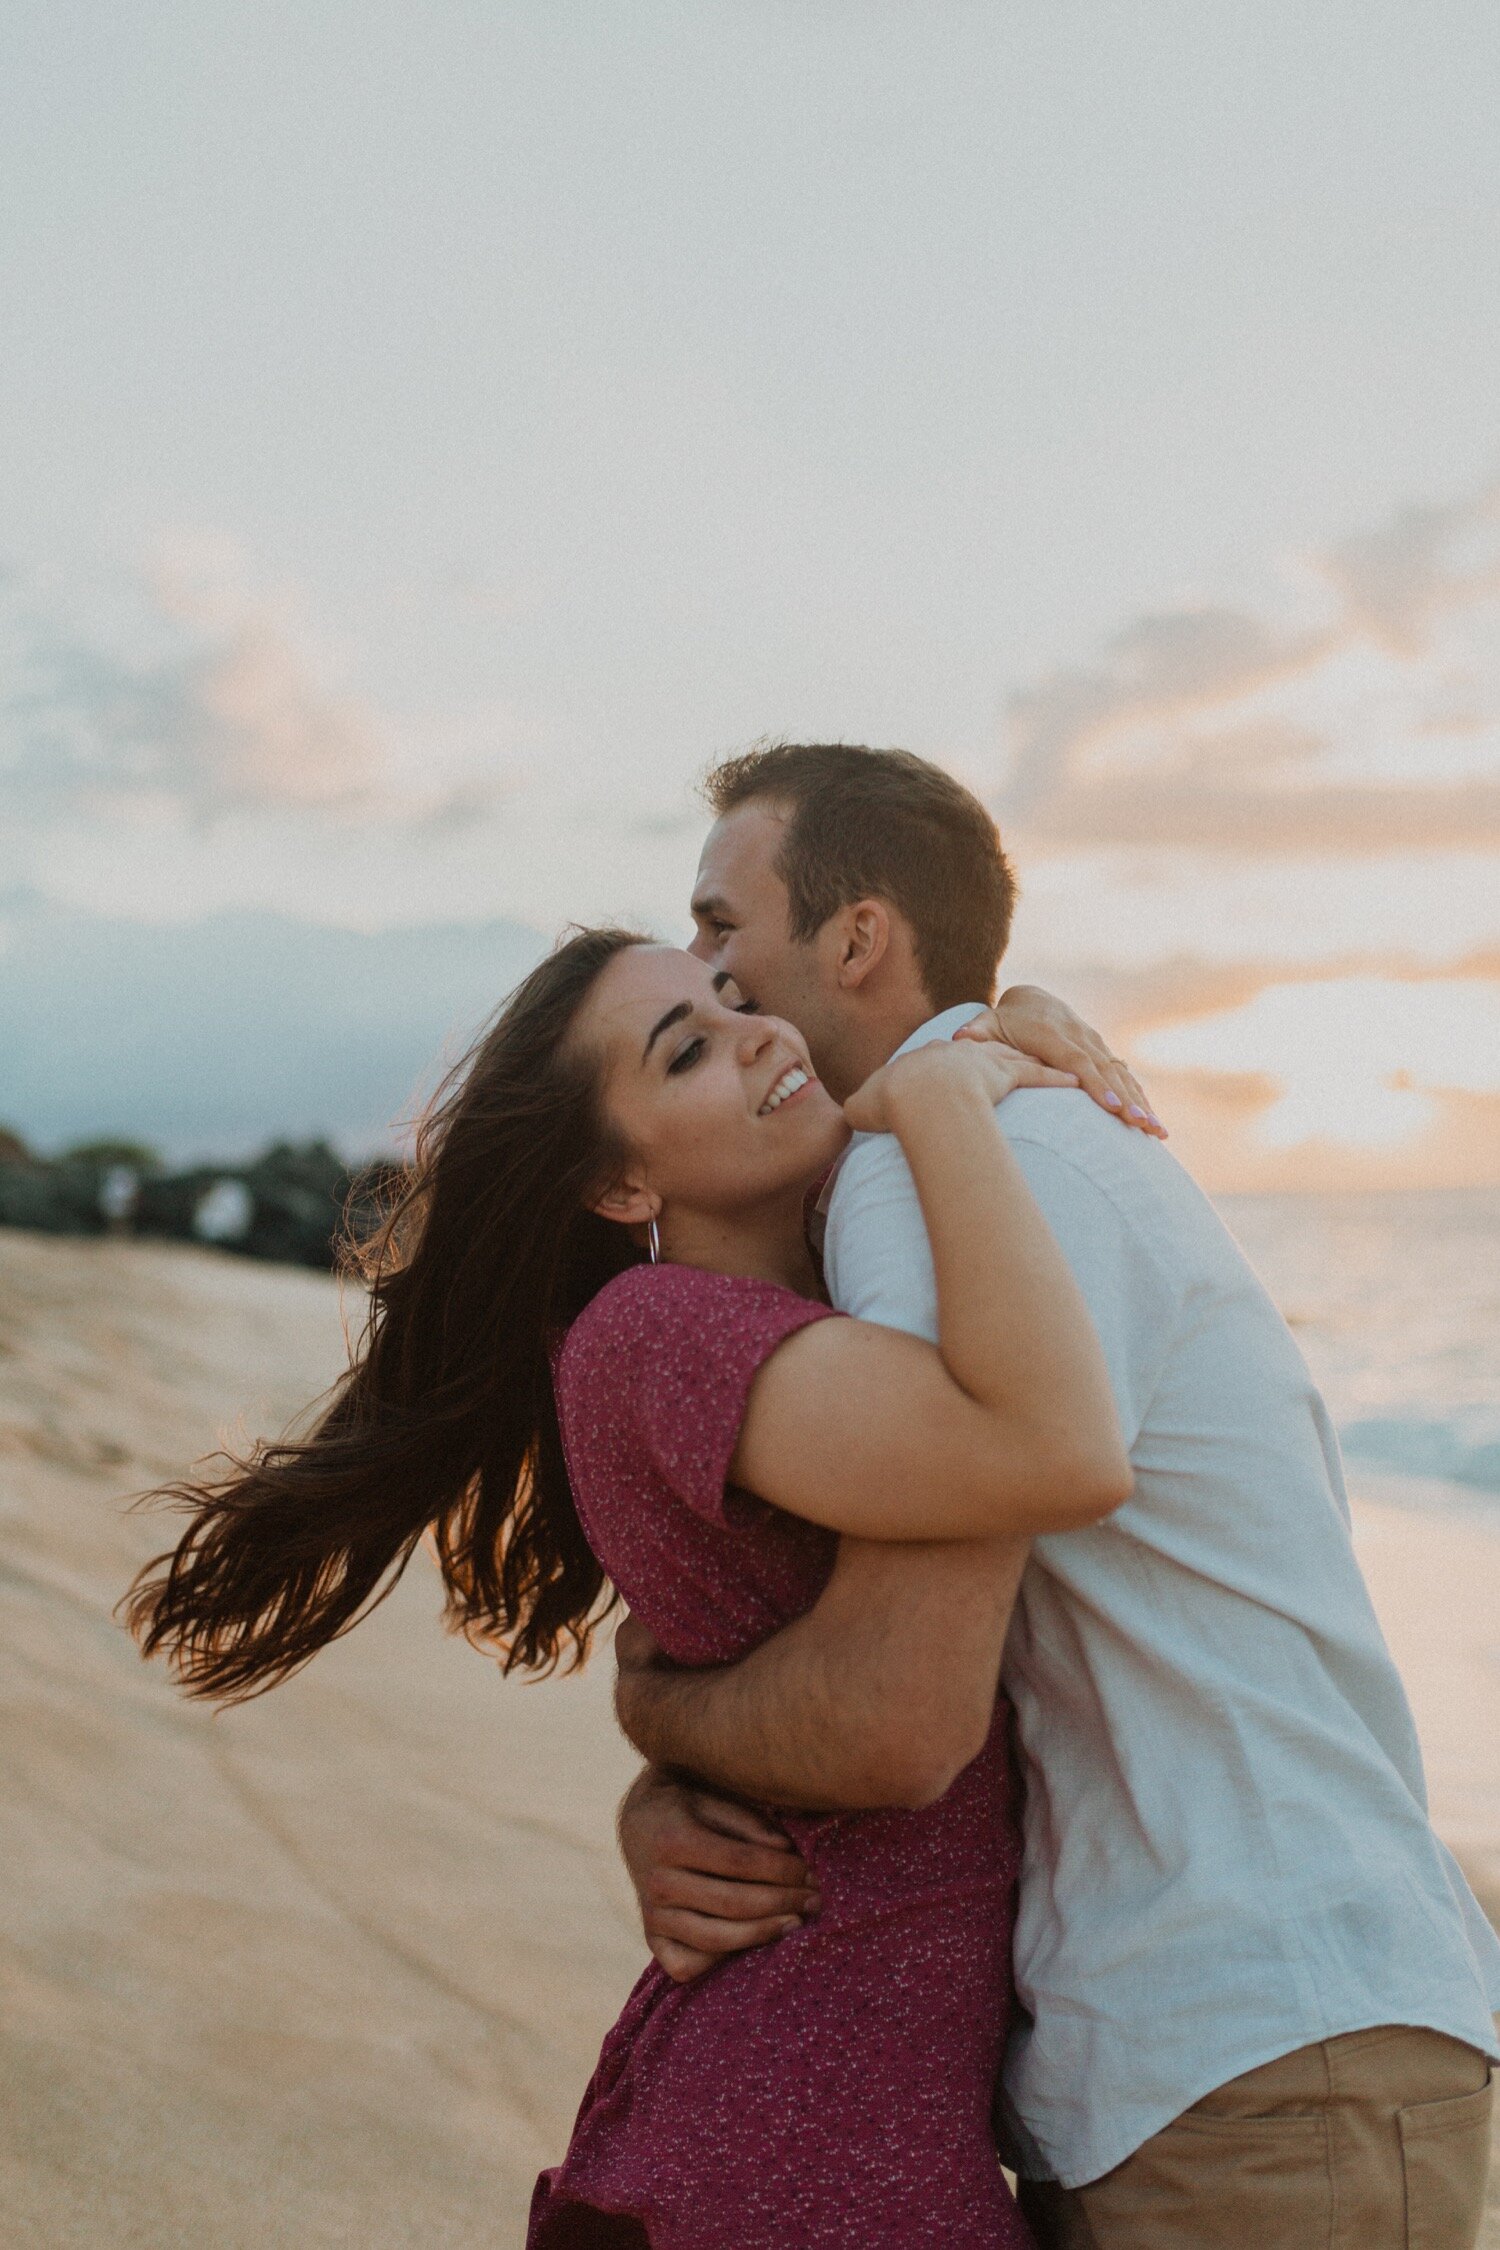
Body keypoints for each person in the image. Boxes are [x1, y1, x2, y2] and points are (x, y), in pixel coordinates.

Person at [122, 923, 1139, 2247]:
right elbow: (1055, 1446)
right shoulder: (658, 1334)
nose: (758, 1031)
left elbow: (707, 1653)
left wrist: (998, 1030)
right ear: (616, 1180)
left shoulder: (778, 1329)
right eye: (687, 1051)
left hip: (828, 2120)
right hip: (808, 2144)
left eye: (731, 995)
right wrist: (952, 1088)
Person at [614, 741, 1500, 2250]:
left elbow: (899, 1701)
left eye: (720, 927)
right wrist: (666, 1786)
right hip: (1198, 2054)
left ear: (857, 937)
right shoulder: (959, 1148)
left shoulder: (941, 1172)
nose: (706, 973)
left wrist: (661, 1720)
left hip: (1258, 2056)